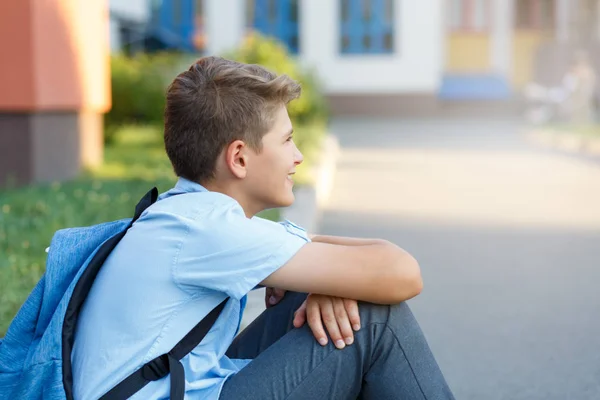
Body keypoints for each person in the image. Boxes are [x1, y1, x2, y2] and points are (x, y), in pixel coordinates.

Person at [71, 56, 455, 399]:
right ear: (239, 158)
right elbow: (404, 272)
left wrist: (330, 280)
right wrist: (338, 278)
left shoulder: (187, 215)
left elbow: (346, 260)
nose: (299, 155)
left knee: (314, 295)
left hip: (187, 385)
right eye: (287, 140)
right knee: (373, 321)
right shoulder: (209, 228)